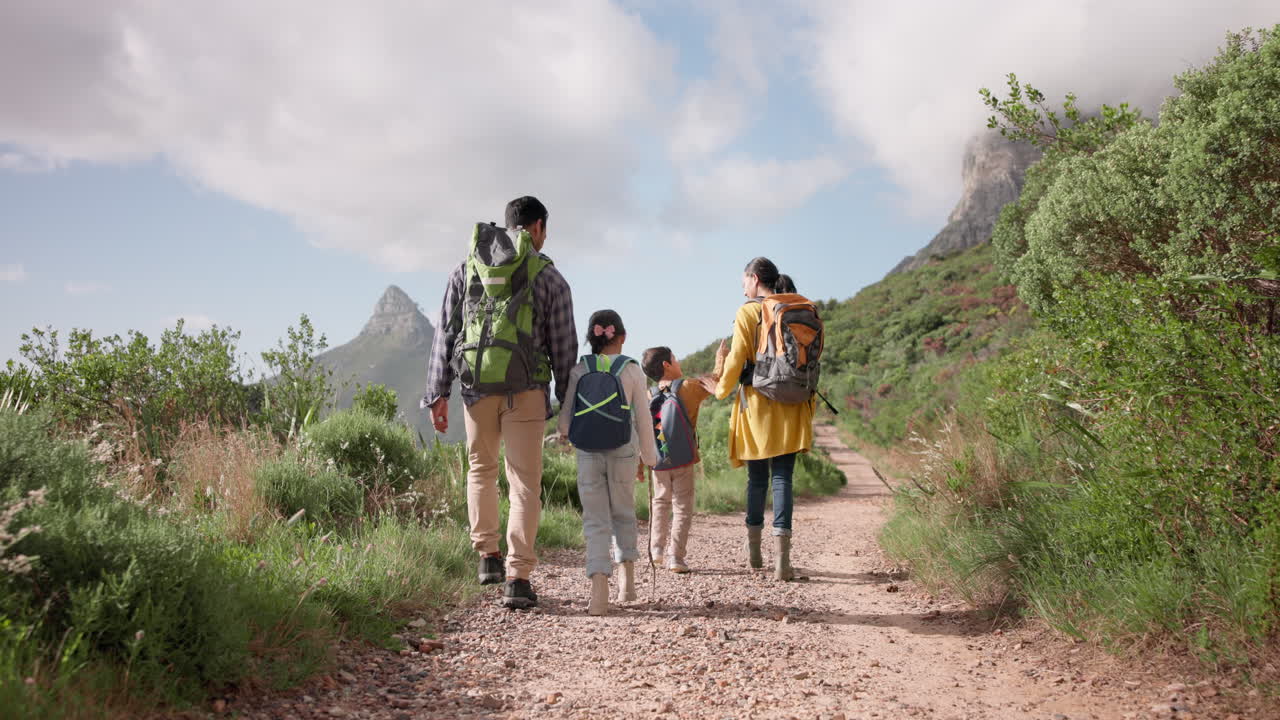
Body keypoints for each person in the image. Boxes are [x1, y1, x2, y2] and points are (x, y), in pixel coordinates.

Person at [422, 196, 577, 610]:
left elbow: (446, 332)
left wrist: (437, 392)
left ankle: (486, 556)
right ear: (539, 227)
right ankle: (517, 577)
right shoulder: (550, 278)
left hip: (475, 389)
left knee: (481, 470)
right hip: (526, 390)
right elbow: (564, 348)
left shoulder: (466, 267)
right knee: (524, 483)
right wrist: (567, 406)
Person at [712, 257, 815, 581]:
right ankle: (783, 561)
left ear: (755, 279)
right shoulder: (797, 308)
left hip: (758, 406)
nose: (743, 286)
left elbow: (737, 358)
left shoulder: (748, 311)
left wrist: (720, 390)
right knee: (783, 477)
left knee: (757, 480)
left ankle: (755, 552)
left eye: (744, 280)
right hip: (794, 404)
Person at [558, 309, 658, 615]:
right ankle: (627, 583)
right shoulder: (632, 370)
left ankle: (599, 589)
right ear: (622, 337)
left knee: (595, 519)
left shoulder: (579, 369)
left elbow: (564, 423)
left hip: (588, 451)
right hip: (624, 450)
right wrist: (651, 458)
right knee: (623, 511)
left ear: (592, 338)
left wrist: (569, 433)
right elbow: (643, 416)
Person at [639, 345, 722, 573]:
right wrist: (720, 359)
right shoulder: (688, 387)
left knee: (660, 502)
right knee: (682, 507)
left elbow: (642, 431)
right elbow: (715, 380)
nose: (678, 361)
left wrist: (640, 463)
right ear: (667, 365)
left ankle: (656, 550)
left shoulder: (648, 395)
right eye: (675, 358)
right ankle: (676, 557)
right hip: (683, 458)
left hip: (658, 460)